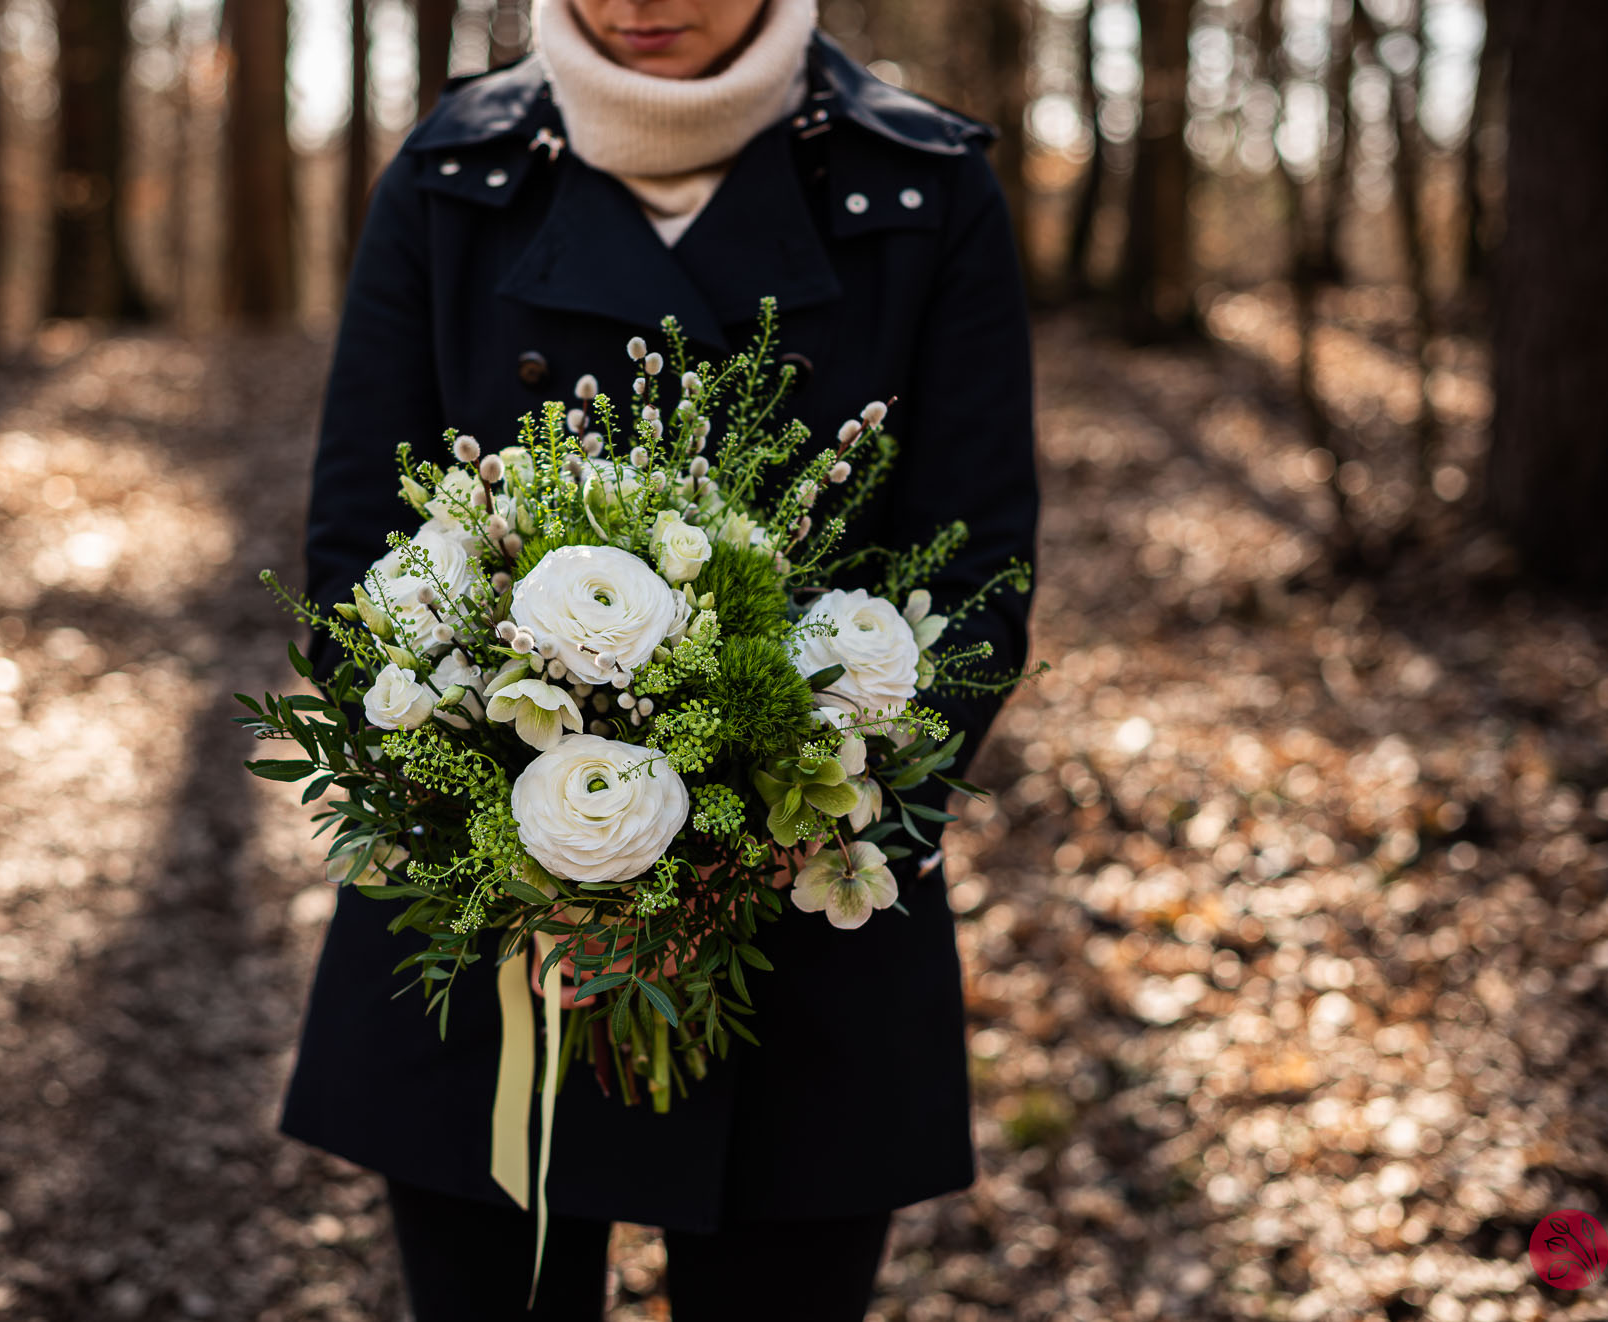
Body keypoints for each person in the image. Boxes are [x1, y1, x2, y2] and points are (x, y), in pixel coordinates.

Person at [278, 0, 1041, 1316]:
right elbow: (358, 552)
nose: (644, 3)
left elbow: (974, 575)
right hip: (491, 917)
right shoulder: (453, 175)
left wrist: (769, 823)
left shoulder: (922, 187)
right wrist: (498, 819)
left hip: (801, 918)